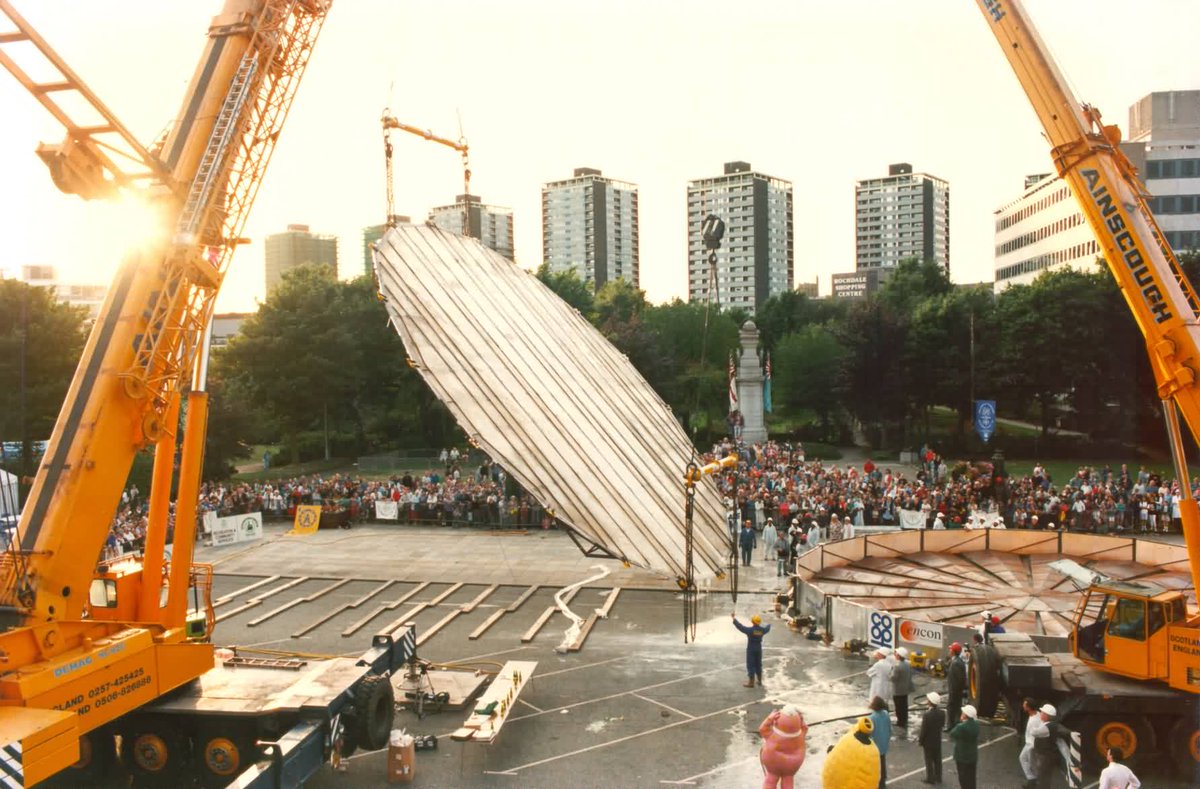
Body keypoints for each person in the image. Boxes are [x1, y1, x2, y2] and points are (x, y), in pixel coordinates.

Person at [758, 704, 808, 789]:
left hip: (773, 761)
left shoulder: (772, 735)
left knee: (771, 779)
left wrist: (770, 719)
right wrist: (800, 720)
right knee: (788, 779)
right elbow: (805, 728)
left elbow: (762, 729)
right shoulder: (800, 736)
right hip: (793, 764)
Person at [1031, 703, 1074, 789]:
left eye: (1042, 712)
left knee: (1042, 777)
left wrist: (1033, 722)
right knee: (1044, 777)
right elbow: (1065, 731)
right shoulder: (1051, 725)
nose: (1040, 713)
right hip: (1047, 755)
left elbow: (1034, 732)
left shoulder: (1048, 727)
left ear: (1047, 715)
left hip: (1045, 756)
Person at [732, 613, 769, 688]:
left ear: (753, 622)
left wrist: (734, 619)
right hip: (758, 649)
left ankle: (751, 683)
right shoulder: (762, 630)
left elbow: (741, 627)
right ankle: (759, 680)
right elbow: (767, 629)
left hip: (751, 649)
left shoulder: (750, 630)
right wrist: (769, 625)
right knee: (758, 664)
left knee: (751, 664)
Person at [949, 704, 979, 789]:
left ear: (965, 715)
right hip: (972, 756)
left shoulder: (961, 727)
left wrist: (960, 722)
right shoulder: (976, 724)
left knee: (963, 779)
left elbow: (952, 734)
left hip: (962, 757)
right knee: (971, 778)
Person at [918, 692, 945, 784]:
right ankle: (938, 777)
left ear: (930, 702)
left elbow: (924, 730)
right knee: (938, 759)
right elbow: (942, 725)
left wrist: (920, 741)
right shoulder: (942, 713)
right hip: (937, 740)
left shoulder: (927, 715)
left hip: (928, 742)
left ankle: (930, 778)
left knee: (929, 760)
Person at [868, 696, 891, 789]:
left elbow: (869, 733)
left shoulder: (871, 718)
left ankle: (879, 783)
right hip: (884, 743)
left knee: (876, 765)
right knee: (882, 761)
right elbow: (889, 728)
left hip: (875, 745)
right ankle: (883, 779)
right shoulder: (886, 714)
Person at [891, 647, 915, 728]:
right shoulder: (908, 663)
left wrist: (890, 672)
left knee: (898, 706)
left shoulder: (897, 666)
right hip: (906, 688)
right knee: (904, 705)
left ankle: (900, 722)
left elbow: (893, 678)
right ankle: (904, 720)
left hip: (898, 690)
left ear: (898, 655)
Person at [1018, 698, 1039, 788]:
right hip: (1029, 743)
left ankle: (1034, 780)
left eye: (1025, 704)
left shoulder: (1034, 720)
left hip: (1031, 745)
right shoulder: (1036, 714)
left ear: (1029, 708)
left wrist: (1032, 747)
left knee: (1031, 763)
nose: (1023, 705)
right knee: (1023, 758)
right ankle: (1032, 779)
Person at [945, 642, 966, 730]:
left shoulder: (956, 663)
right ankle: (955, 725)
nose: (949, 650)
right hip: (955, 690)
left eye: (950, 649)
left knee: (952, 708)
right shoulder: (955, 661)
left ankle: (951, 726)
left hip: (954, 691)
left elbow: (959, 679)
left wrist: (954, 691)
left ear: (953, 651)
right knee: (955, 708)